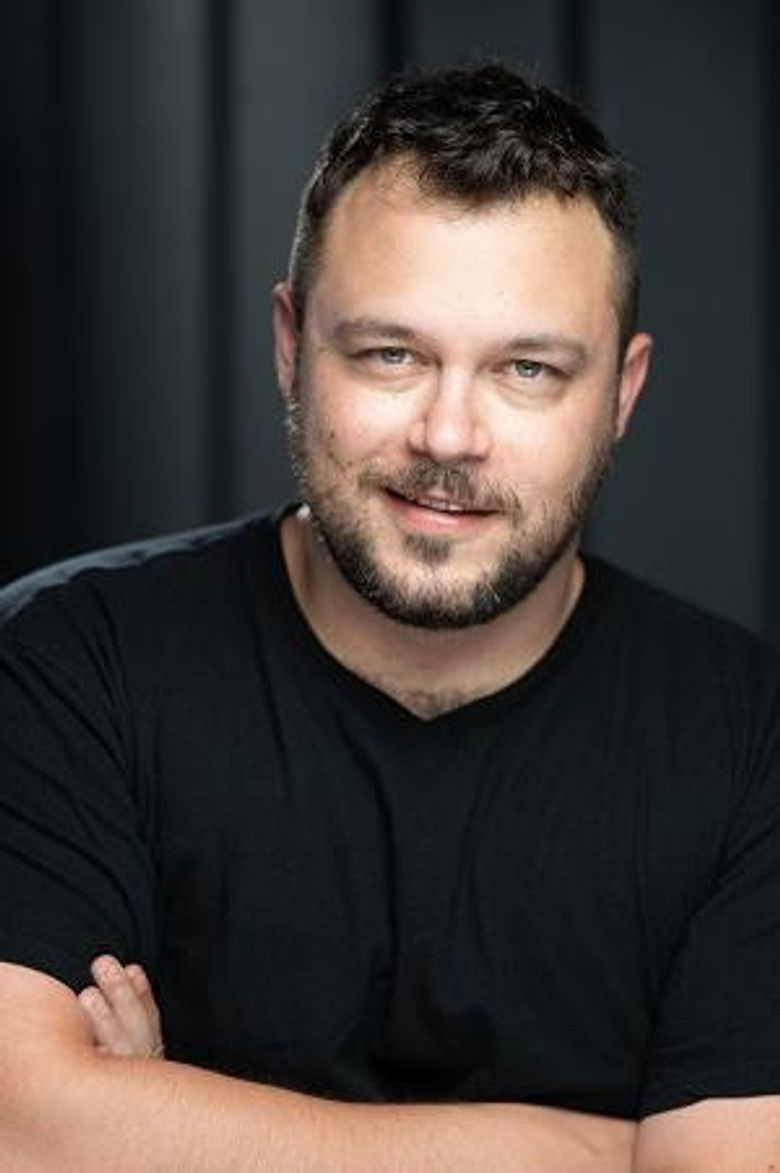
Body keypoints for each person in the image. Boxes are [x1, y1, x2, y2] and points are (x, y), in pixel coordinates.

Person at [0, 61, 779, 1172]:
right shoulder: (66, 665)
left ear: (622, 393)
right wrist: (592, 1151)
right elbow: (15, 1126)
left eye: (528, 370)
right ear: (290, 345)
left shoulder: (748, 745)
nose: (449, 435)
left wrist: (152, 1127)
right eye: (391, 354)